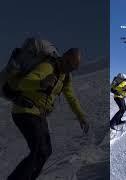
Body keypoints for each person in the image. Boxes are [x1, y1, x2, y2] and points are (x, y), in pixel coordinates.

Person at [7, 47, 89, 180]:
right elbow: (22, 84)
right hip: (24, 111)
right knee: (39, 150)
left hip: (38, 114)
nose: (69, 70)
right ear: (65, 58)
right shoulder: (47, 67)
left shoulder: (65, 77)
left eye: (72, 68)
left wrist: (81, 116)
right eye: (69, 65)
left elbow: (71, 98)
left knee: (46, 151)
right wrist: (41, 83)